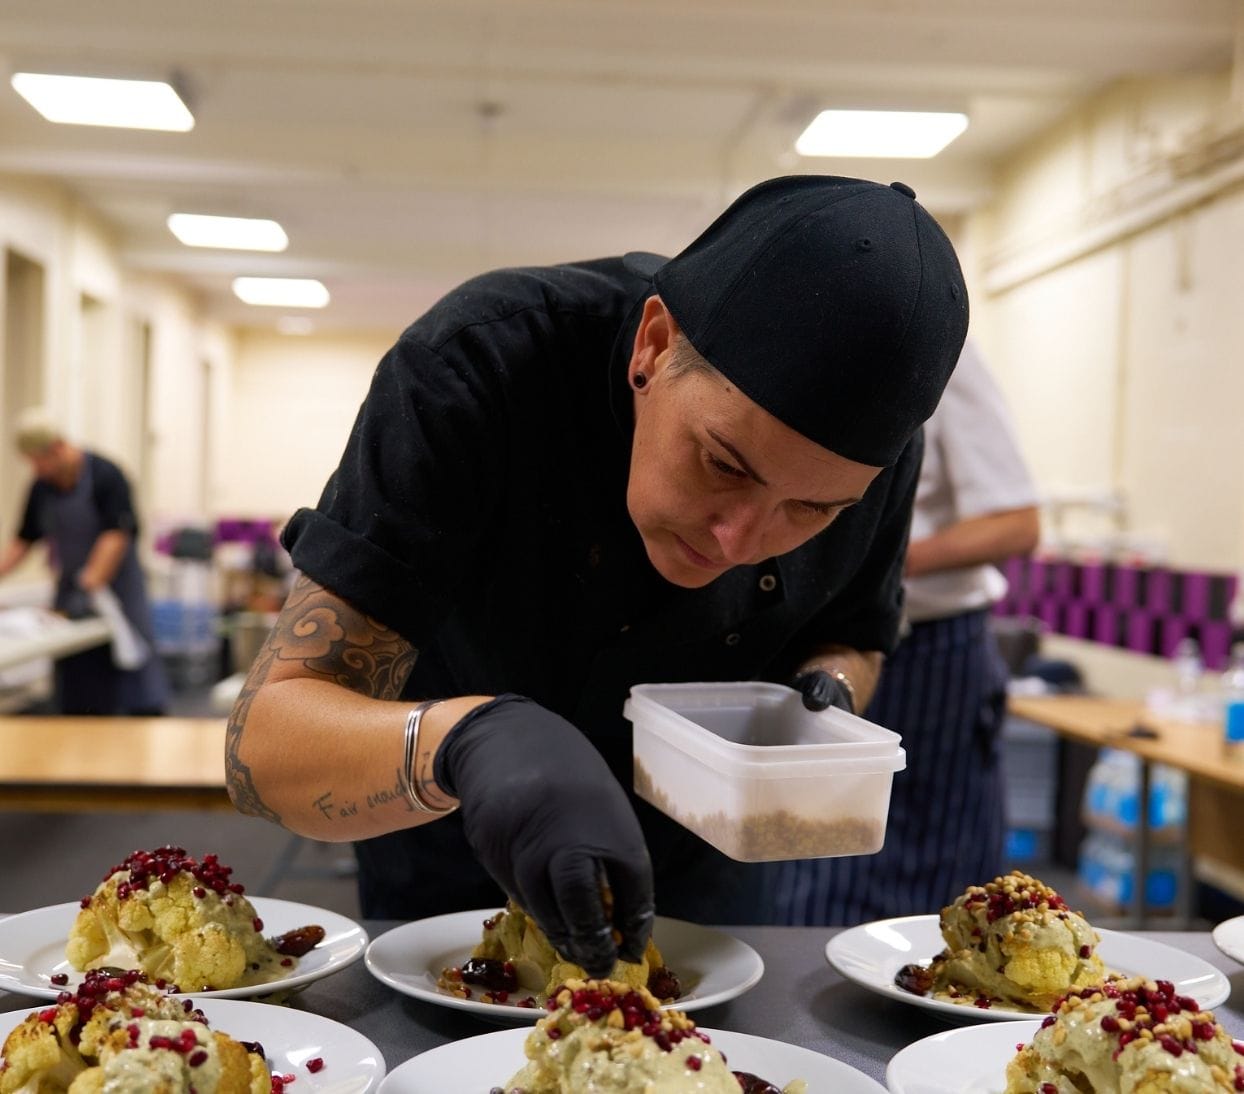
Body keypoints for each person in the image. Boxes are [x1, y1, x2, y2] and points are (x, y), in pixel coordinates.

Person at [225, 174, 969, 976]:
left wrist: (827, 694)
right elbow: (262, 749)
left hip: (702, 881)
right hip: (453, 870)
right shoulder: (477, 368)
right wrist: (463, 744)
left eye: (812, 511)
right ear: (653, 347)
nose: (739, 539)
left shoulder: (877, 467)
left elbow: (854, 635)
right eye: (723, 464)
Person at [768, 338, 1040, 925]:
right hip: (824, 643)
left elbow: (1016, 523)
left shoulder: (943, 353)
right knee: (816, 867)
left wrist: (876, 559)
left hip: (932, 661)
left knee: (938, 890)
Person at [0, 408, 169, 715]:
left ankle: (139, 723)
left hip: (117, 590)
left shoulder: (106, 475)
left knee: (132, 662)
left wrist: (90, 583)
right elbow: (23, 540)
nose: (36, 469)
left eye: (39, 460)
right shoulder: (42, 487)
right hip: (71, 586)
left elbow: (115, 536)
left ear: (58, 447)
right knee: (76, 675)